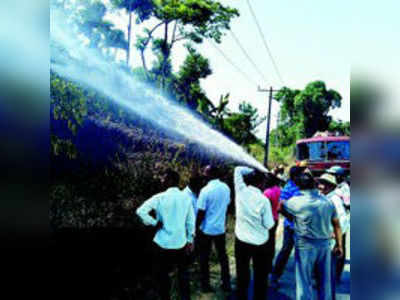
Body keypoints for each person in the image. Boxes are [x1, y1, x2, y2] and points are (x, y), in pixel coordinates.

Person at [281, 172, 343, 300]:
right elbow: (337, 225)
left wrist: (293, 219)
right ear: (314, 185)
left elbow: (280, 206)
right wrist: (339, 245)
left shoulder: (295, 202)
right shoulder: (327, 202)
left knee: (304, 282)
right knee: (325, 282)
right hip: (325, 246)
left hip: (305, 245)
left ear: (299, 187)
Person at [136, 169, 195, 300]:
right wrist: (190, 240)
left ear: (170, 181)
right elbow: (191, 221)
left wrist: (153, 222)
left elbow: (140, 211)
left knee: (162, 276)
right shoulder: (186, 198)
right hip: (180, 242)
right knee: (183, 275)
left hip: (162, 244)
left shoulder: (159, 197)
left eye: (163, 178)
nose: (161, 180)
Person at [234, 166, 275, 300]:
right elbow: (269, 224)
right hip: (260, 243)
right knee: (260, 276)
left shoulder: (240, 191)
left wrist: (255, 168)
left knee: (242, 274)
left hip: (241, 241)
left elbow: (238, 170)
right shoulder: (263, 200)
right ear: (260, 183)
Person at [196, 165, 232, 293]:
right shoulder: (226, 188)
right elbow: (227, 207)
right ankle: (226, 283)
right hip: (220, 229)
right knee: (223, 256)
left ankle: (205, 286)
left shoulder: (205, 190)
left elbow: (200, 212)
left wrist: (195, 228)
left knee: (204, 258)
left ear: (211, 174)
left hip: (206, 230)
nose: (204, 175)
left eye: (205, 172)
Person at [270, 166, 305, 288]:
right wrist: (293, 218)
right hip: (291, 227)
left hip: (303, 227)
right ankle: (274, 277)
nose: (303, 176)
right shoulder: (288, 188)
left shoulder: (302, 185)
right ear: (295, 176)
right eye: (301, 174)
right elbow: (280, 208)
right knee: (285, 251)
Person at [317, 173, 349, 299]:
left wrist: (336, 240)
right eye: (320, 183)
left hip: (329, 244)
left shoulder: (334, 200)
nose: (320, 186)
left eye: (323, 183)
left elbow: (343, 222)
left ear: (330, 186)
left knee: (327, 278)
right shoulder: (323, 198)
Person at [263, 173, 281, 268]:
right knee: (272, 241)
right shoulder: (278, 189)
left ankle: (265, 263)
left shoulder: (267, 192)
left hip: (268, 219)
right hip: (276, 218)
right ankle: (270, 263)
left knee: (266, 242)